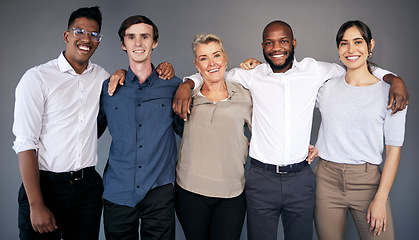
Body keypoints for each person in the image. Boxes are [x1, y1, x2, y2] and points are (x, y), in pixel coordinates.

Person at [172, 20, 408, 240]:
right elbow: (213, 74)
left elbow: (355, 66)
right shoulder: (251, 75)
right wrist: (187, 83)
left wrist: (392, 78)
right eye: (269, 42)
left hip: (301, 179)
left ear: (293, 44)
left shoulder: (314, 70)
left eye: (283, 41)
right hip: (261, 179)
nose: (277, 48)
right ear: (263, 47)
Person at [12, 6, 174, 240]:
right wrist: (36, 204)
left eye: (94, 34)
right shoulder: (36, 79)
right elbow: (25, 143)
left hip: (87, 189)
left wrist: (128, 72)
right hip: (46, 186)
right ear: (67, 36)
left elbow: (129, 79)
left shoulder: (102, 78)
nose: (86, 39)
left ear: (98, 41)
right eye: (79, 31)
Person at [313, 20, 407, 240]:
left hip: (368, 183)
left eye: (358, 42)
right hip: (326, 180)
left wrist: (381, 198)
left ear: (370, 45)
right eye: (344, 43)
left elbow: (394, 151)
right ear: (338, 50)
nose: (351, 49)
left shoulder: (392, 93)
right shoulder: (325, 88)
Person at [97, 15, 183, 240]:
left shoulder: (174, 85)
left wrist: (188, 85)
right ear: (123, 44)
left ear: (154, 42)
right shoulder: (109, 88)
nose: (138, 43)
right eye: (131, 37)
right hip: (118, 190)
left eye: (144, 36)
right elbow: (91, 132)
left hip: (159, 191)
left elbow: (184, 130)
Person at [174, 33, 252, 240]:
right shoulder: (186, 95)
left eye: (216, 55)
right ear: (196, 65)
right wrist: (185, 85)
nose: (211, 63)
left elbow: (267, 131)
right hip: (190, 190)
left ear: (226, 57)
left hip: (231, 193)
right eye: (203, 58)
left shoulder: (245, 95)